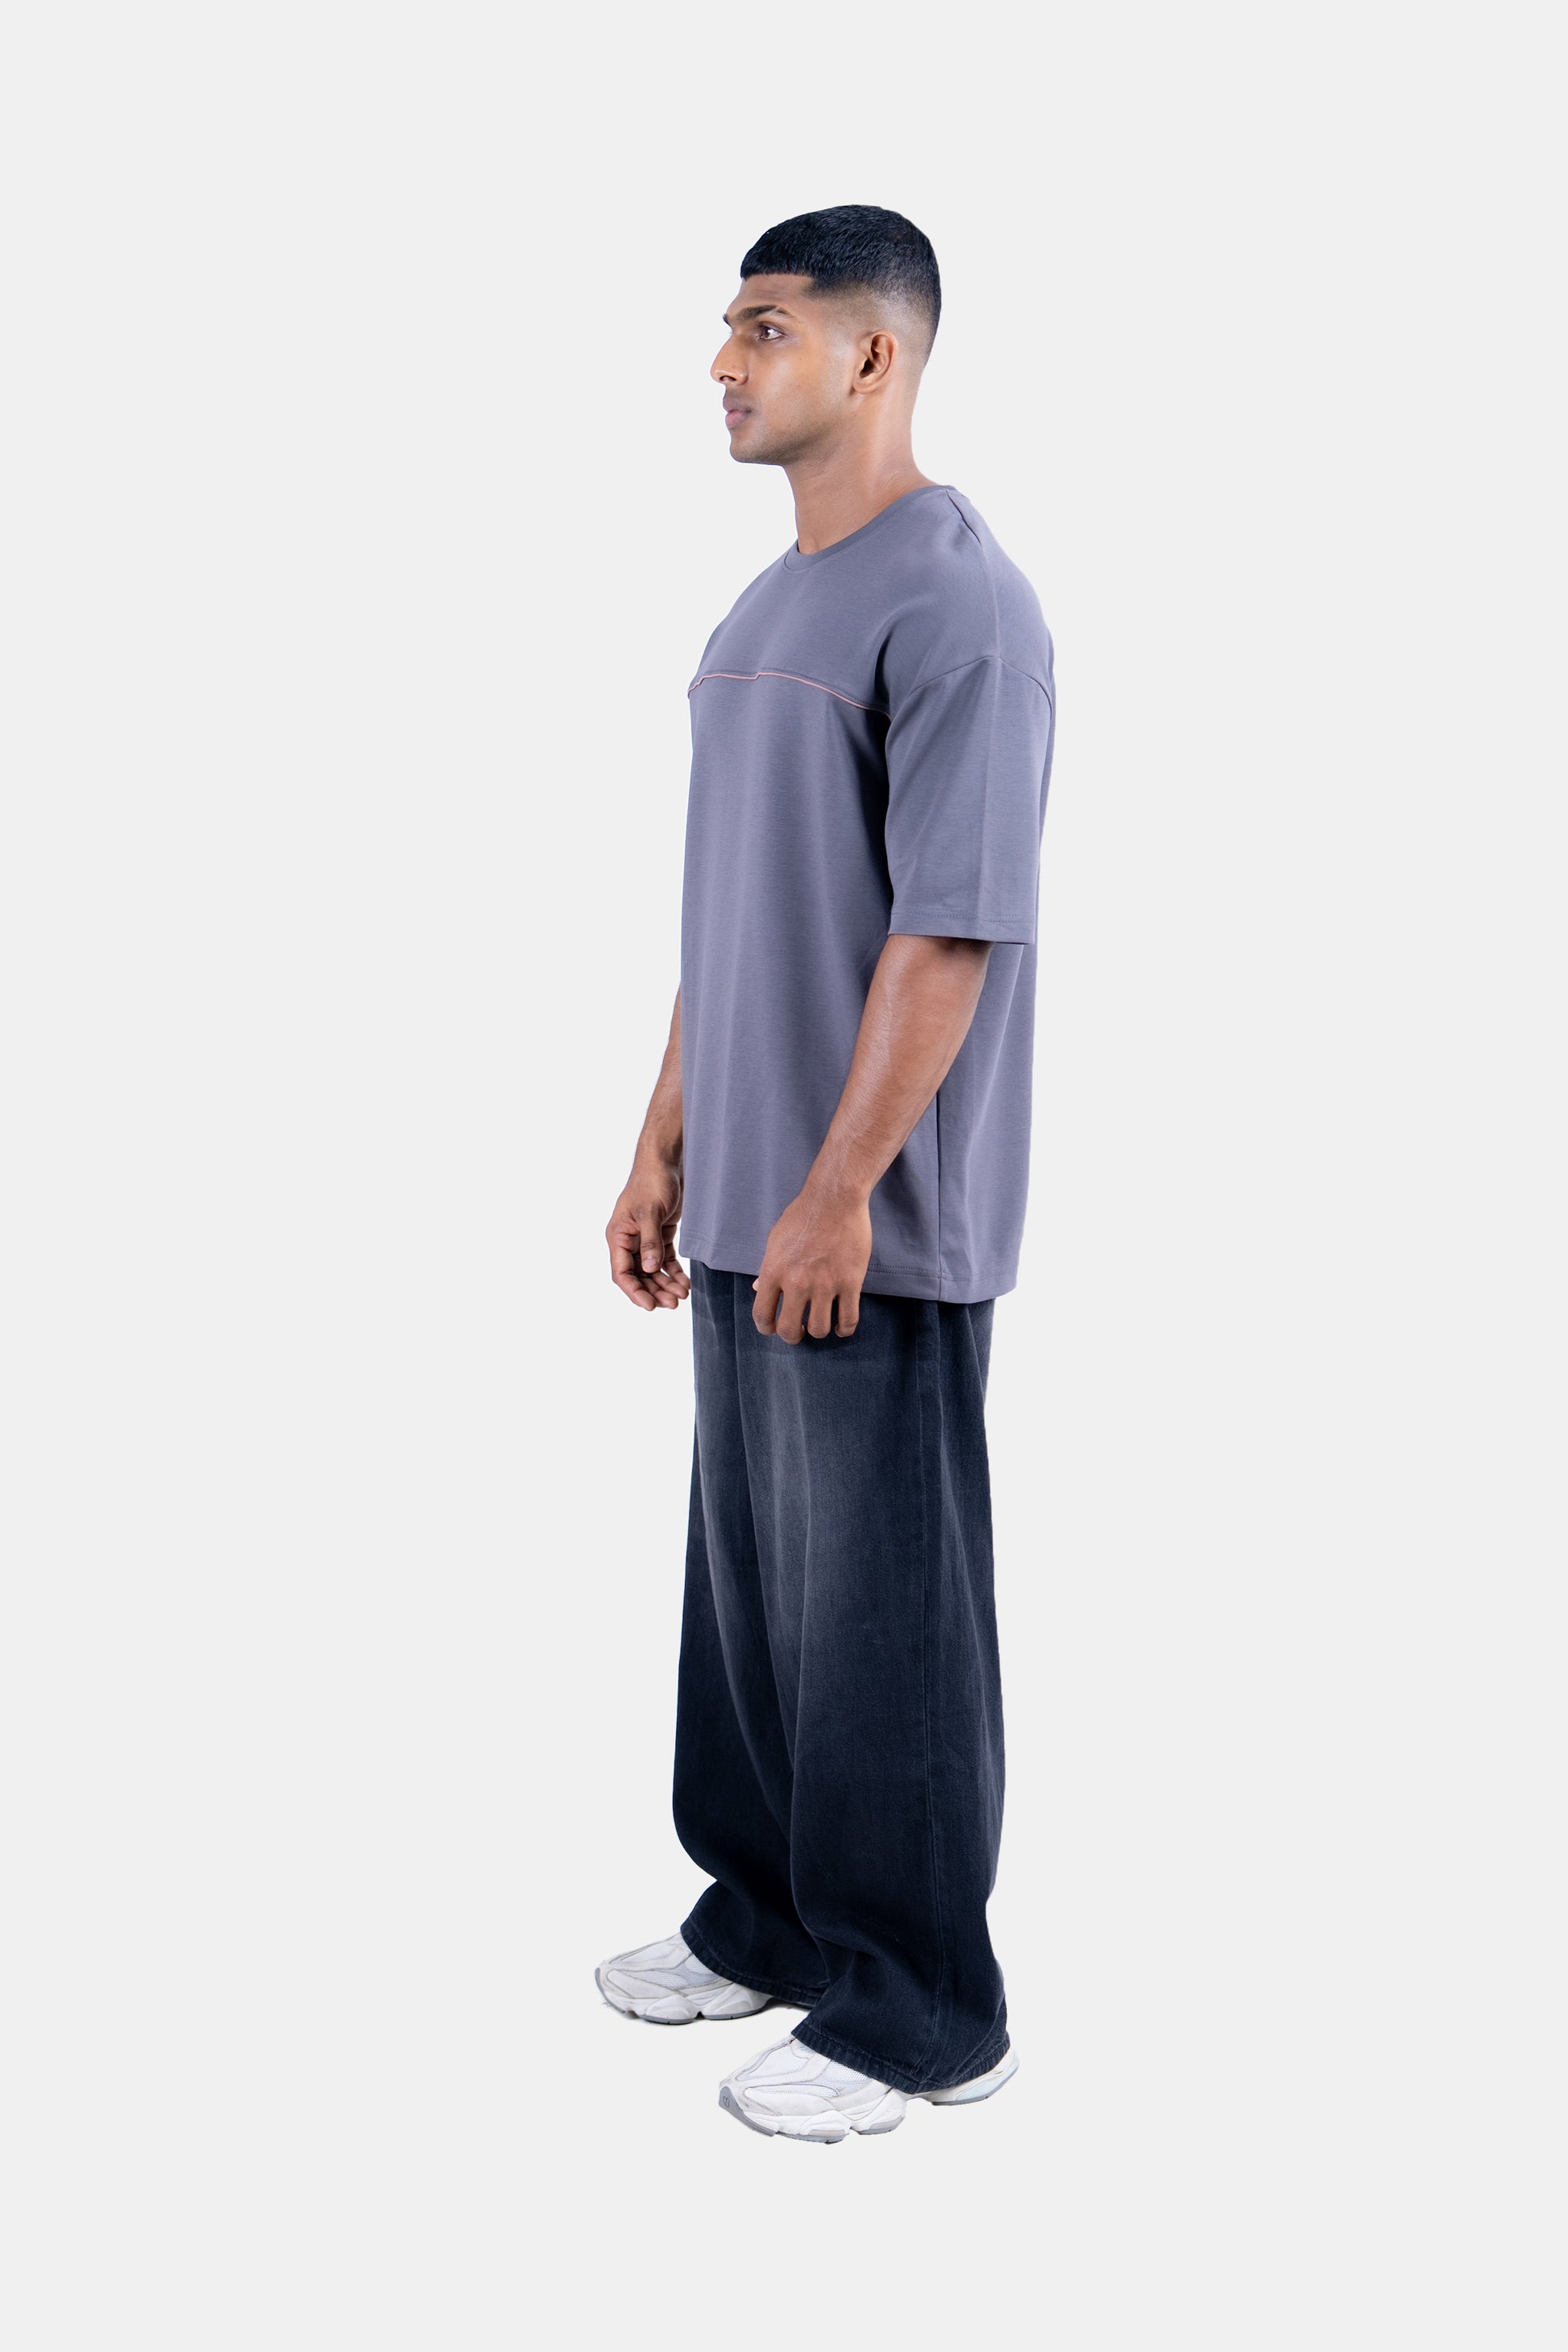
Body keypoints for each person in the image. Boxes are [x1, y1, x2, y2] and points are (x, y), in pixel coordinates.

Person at [600, 205, 1056, 2143]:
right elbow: (734, 911)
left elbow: (949, 927)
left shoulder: (958, 605)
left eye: (765, 328)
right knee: (755, 1597)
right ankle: (772, 1910)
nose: (724, 363)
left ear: (872, 355)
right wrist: (665, 1134)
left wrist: (838, 1182)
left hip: (866, 1220)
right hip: (746, 1193)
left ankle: (924, 2007)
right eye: (727, 327)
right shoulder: (759, 613)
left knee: (882, 1618)